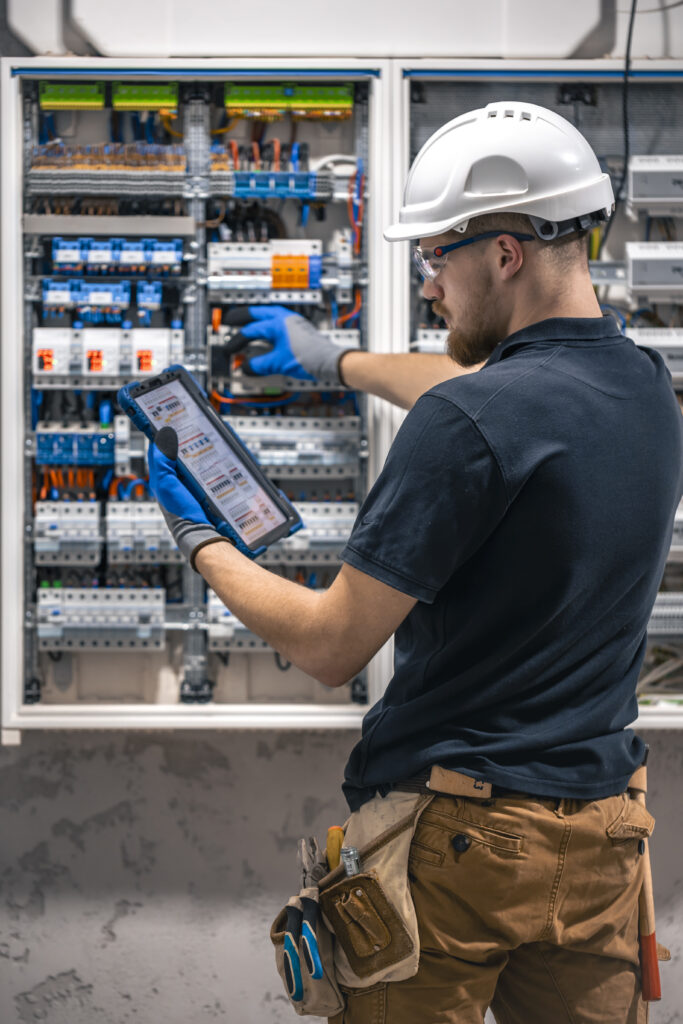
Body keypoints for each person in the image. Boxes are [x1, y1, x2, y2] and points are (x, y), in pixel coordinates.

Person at [147, 101, 683, 1023]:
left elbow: (327, 648)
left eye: (436, 256)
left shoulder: (465, 425)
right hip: (604, 839)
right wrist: (337, 361)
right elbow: (498, 399)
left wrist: (202, 541)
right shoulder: (643, 386)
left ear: (504, 254)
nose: (429, 283)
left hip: (459, 851)